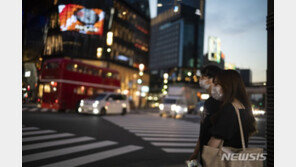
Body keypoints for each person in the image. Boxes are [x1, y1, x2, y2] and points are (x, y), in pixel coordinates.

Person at [205, 70, 257, 152]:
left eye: (217, 84)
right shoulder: (243, 106)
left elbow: (214, 143)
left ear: (228, 85)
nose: (214, 87)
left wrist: (205, 157)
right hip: (237, 159)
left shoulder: (229, 108)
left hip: (224, 160)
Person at [189, 65, 223, 162]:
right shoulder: (208, 102)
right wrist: (196, 153)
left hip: (213, 156)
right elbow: (203, 130)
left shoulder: (221, 102)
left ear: (214, 79)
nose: (200, 80)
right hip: (205, 154)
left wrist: (206, 157)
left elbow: (218, 135)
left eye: (203, 77)